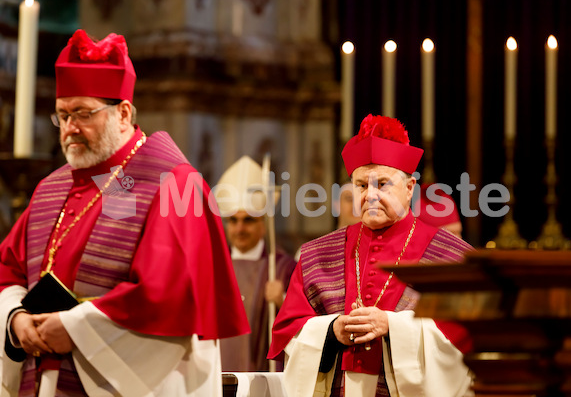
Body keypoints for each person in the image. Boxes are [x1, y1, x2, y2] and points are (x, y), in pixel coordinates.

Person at [0, 29, 249, 396]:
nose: (70, 128)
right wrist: (14, 318)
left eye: (83, 113)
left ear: (123, 112)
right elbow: (8, 270)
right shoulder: (51, 188)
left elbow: (166, 295)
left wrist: (74, 328)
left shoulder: (174, 184)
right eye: (62, 115)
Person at [268, 114, 474, 396]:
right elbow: (288, 333)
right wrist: (331, 331)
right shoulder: (317, 255)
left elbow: (469, 338)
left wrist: (393, 326)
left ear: (410, 188)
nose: (371, 195)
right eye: (362, 185)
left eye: (383, 184)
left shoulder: (454, 257)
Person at [215, 156, 296, 372]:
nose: (240, 228)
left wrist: (282, 300)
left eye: (248, 220)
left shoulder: (282, 268)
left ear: (263, 224)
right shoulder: (214, 266)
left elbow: (306, 325)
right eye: (233, 220)